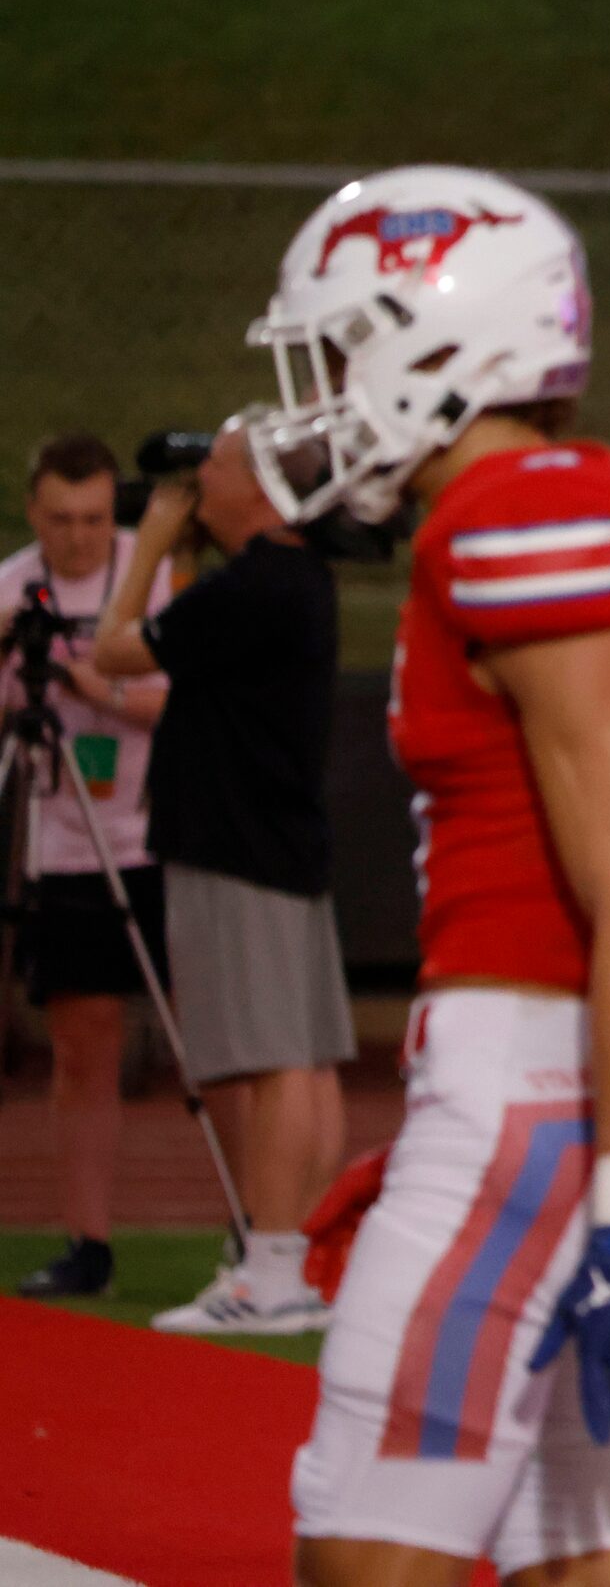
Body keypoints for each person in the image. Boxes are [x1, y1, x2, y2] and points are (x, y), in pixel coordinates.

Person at [228, 163, 610, 1584]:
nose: (324, 393)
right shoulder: (582, 496)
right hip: (587, 1101)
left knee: (363, 1562)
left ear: (436, 337)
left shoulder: (512, 512)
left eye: (344, 348)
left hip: (542, 1104)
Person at [92, 419, 352, 1334]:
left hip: (236, 842)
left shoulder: (255, 588)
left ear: (264, 489)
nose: (199, 479)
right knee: (306, 1060)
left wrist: (154, 546)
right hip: (281, 839)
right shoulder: (293, 581)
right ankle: (300, 1256)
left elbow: (114, 650)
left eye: (218, 466)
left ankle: (271, 1263)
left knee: (275, 1060)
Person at [3, 433, 174, 1299]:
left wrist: (83, 682)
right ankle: (87, 1241)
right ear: (35, 511)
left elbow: (177, 698)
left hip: (158, 834)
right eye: (62, 520)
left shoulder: (151, 578)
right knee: (82, 1044)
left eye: (96, 520)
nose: (77, 537)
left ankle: (260, 1234)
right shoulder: (8, 587)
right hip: (63, 842)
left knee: (209, 1041)